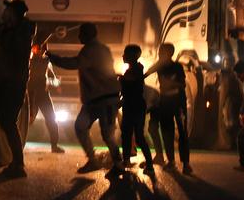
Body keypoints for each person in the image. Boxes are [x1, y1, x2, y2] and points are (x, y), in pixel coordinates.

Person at [44, 22, 122, 174]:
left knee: (104, 133)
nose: (78, 36)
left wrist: (51, 57)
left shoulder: (92, 50)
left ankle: (116, 163)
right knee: (88, 128)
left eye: (81, 33)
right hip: (97, 99)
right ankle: (96, 160)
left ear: (87, 34)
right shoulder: (99, 48)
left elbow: (74, 63)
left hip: (103, 99)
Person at [0, 0, 34, 178]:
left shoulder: (21, 33)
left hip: (15, 82)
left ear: (15, 13)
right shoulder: (16, 30)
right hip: (9, 80)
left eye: (8, 9)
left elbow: (12, 50)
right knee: (6, 121)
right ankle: (17, 163)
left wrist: (0, 35)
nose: (5, 12)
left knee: (8, 121)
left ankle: (18, 164)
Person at [144, 43, 193, 175]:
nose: (159, 54)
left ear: (169, 53)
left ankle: (186, 164)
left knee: (182, 133)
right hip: (165, 102)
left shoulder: (177, 66)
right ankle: (171, 161)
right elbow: (146, 73)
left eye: (162, 51)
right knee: (167, 132)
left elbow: (182, 84)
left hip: (178, 102)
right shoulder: (159, 65)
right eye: (159, 51)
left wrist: (171, 83)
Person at [20, 29, 65, 154]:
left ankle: (54, 145)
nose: (41, 50)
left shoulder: (46, 60)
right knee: (28, 119)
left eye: (43, 48)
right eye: (39, 47)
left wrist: (55, 82)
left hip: (42, 94)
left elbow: (52, 77)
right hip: (30, 93)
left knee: (51, 119)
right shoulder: (31, 59)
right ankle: (16, 144)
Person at [119, 45, 155, 180]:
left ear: (131, 56)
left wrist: (120, 78)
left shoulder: (137, 69)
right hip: (132, 106)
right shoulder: (133, 70)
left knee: (136, 136)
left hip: (134, 107)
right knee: (128, 134)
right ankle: (127, 161)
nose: (122, 56)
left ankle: (148, 165)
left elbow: (130, 82)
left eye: (125, 54)